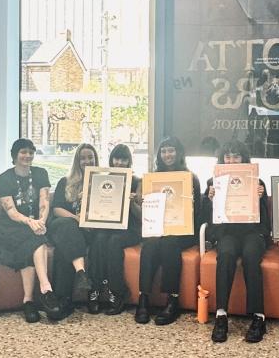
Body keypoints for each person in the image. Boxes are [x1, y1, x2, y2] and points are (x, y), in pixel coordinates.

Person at [203, 140, 270, 344]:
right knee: (226, 255)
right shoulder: (211, 183)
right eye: (228, 156)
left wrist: (260, 198)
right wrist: (209, 200)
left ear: (244, 159)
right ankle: (221, 315)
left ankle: (259, 317)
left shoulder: (256, 181)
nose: (232, 160)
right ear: (222, 159)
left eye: (237, 156)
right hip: (227, 233)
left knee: (251, 256)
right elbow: (205, 218)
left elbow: (265, 220)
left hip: (252, 232)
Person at [135, 136, 202, 326]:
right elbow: (148, 210)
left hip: (183, 231)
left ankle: (173, 301)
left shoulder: (191, 178)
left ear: (179, 153)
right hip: (158, 229)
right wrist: (142, 203)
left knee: (169, 243)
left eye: (171, 150)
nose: (167, 154)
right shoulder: (153, 179)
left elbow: (197, 212)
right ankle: (144, 299)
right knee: (150, 245)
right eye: (163, 151)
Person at [0, 139, 60, 323]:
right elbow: (11, 212)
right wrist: (32, 223)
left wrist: (41, 221)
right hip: (11, 228)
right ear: (14, 155)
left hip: (36, 225)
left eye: (31, 152)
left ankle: (28, 301)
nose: (27, 156)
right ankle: (46, 289)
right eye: (23, 152)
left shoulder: (40, 173)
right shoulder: (4, 178)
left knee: (32, 242)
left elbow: (44, 201)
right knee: (36, 240)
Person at [86, 144, 142, 316]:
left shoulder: (137, 181)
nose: (119, 162)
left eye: (123, 159)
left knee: (114, 242)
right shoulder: (103, 180)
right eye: (117, 158)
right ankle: (94, 290)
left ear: (128, 161)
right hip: (108, 226)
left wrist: (132, 202)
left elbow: (141, 216)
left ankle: (117, 292)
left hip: (130, 229)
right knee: (100, 239)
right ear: (111, 160)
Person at [48, 143, 97, 316]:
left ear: (95, 159)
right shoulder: (65, 181)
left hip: (86, 233)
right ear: (77, 161)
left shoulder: (102, 183)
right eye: (82, 158)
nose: (86, 161)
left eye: (90, 157)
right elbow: (57, 210)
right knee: (67, 226)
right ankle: (81, 273)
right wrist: (77, 219)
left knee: (64, 250)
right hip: (64, 226)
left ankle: (63, 301)